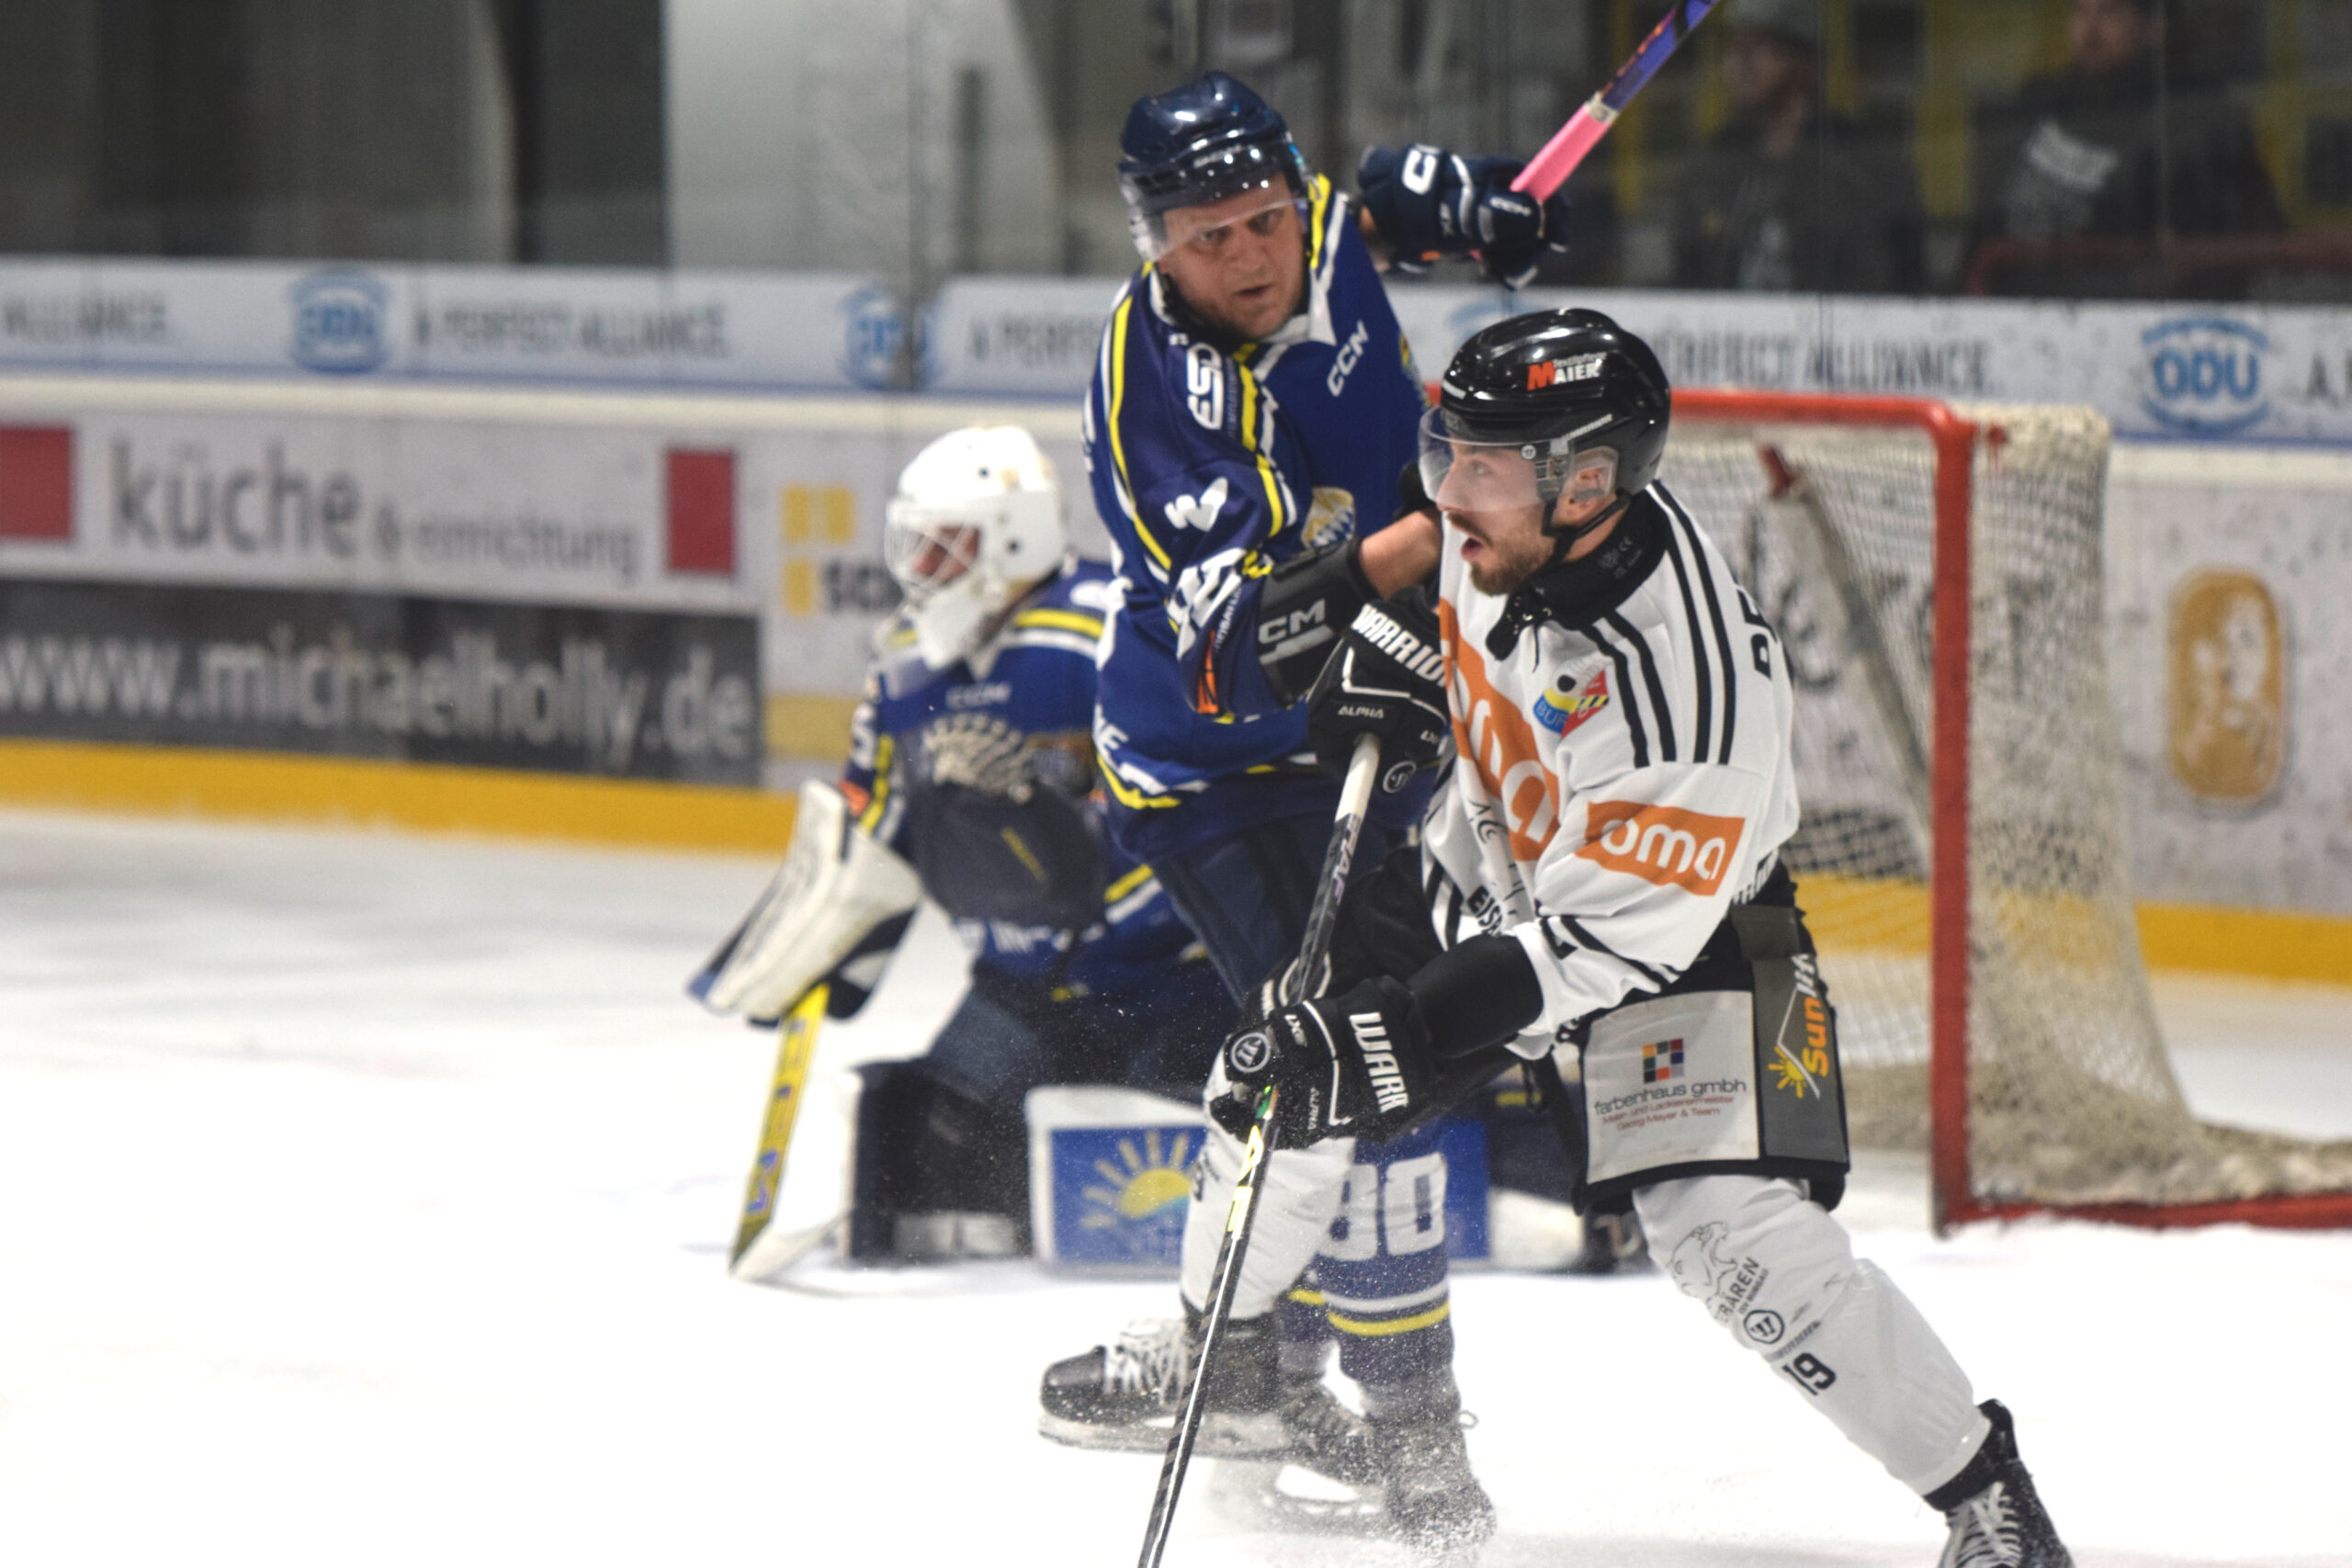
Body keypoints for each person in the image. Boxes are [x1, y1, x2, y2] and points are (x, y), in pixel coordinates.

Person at [1208, 306, 2073, 1568]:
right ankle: (1218, 1362)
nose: (1450, 489)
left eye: (1482, 466)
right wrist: (1378, 617)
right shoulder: (1503, 520)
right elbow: (1433, 527)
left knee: (1726, 1235)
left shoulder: (1686, 701)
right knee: (1274, 1064)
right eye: (1450, 451)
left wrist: (1401, 1038)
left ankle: (1987, 1496)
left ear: (1587, 484)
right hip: (1491, 870)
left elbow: (1597, 950)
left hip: (1685, 936)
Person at [1035, 70, 1567, 1557]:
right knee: (1339, 1055)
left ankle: (1270, 1356)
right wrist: (1467, 514)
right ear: (1155, 245)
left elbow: (1376, 198)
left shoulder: (1315, 226)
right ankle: (1349, 1405)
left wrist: (1475, 204)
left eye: (1264, 218)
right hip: (1213, 759)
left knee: (1394, 1059)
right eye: (1208, 238)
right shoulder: (1156, 388)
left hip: (1378, 721)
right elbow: (1257, 635)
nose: (1252, 255)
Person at [694, 424, 1230, 1262]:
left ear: (1015, 537)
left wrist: (1083, 900)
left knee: (1190, 1153)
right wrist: (824, 926)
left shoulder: (1117, 629)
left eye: (945, 545)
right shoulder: (904, 667)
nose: (921, 570)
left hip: (1172, 989)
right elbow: (874, 829)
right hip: (1016, 990)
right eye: (913, 546)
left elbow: (1190, 810)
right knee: (916, 1149)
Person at [1968, 0, 2283, 297]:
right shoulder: (2038, 101)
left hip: (2128, 318)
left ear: (2155, 26)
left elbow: (2239, 249)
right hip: (2004, 312)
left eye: (2111, 13)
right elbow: (1983, 230)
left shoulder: (2198, 119)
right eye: (2080, 12)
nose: (2089, 31)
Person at [1668, 0, 1921, 294]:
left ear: (1806, 61)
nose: (1740, 62)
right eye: (1734, 48)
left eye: (1760, 47)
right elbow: (1689, 275)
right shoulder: (1716, 162)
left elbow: (1894, 280)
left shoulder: (1863, 164)